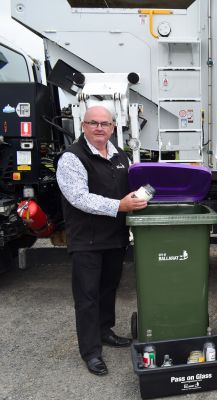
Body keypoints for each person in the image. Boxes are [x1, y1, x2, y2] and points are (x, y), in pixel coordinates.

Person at [56, 105, 147, 376]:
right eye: (93, 123)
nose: (99, 128)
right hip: (87, 239)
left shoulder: (119, 155)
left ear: (113, 127)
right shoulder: (72, 158)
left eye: (104, 124)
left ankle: (105, 331)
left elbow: (129, 186)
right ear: (83, 126)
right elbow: (79, 198)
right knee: (87, 297)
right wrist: (120, 206)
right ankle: (91, 352)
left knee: (108, 289)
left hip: (114, 237)